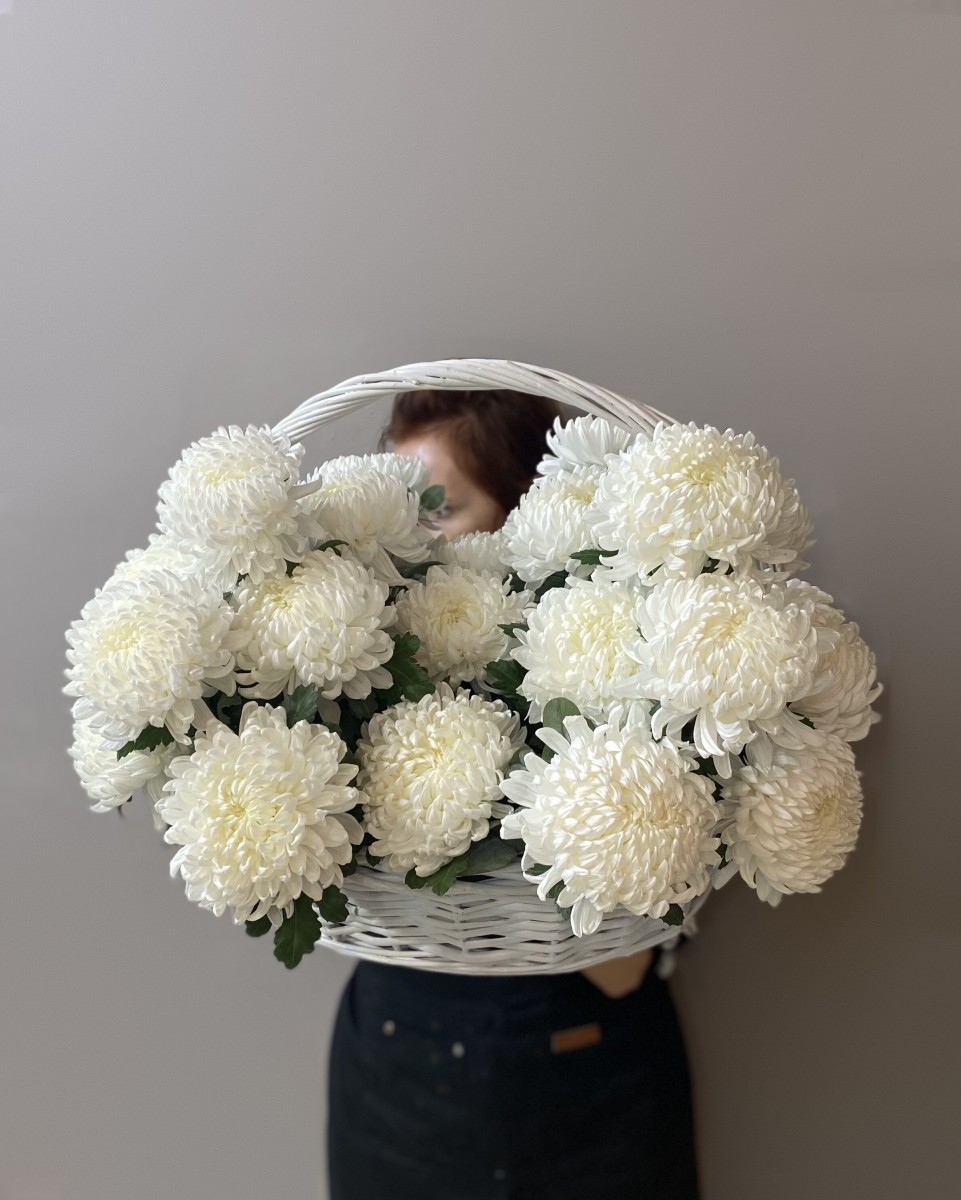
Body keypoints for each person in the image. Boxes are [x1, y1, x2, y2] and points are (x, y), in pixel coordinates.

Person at [326, 389, 700, 1200]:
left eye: (440, 510)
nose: (409, 536)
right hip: (395, 1046)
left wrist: (626, 936)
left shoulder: (603, 653)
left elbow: (683, 830)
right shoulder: (347, 651)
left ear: (522, 511)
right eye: (397, 506)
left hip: (583, 1046)